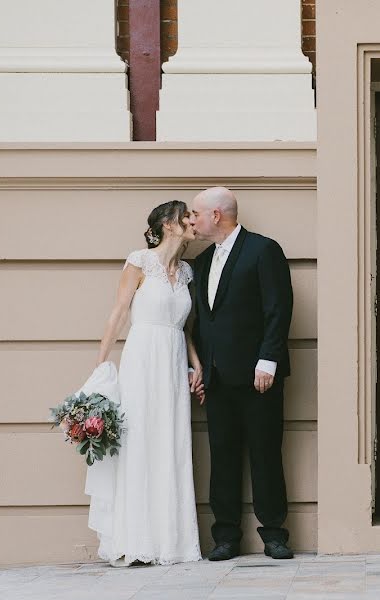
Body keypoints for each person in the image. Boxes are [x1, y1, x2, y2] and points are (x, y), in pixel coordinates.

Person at [90, 200, 204, 566]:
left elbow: (184, 327)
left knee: (170, 442)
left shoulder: (186, 272)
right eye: (186, 216)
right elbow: (119, 312)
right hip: (142, 358)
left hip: (172, 361)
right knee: (140, 441)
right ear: (168, 225)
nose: (192, 221)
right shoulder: (138, 261)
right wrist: (101, 364)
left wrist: (195, 364)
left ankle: (171, 541)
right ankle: (135, 539)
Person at [189, 186, 295, 560]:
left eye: (196, 214)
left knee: (266, 454)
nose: (192, 220)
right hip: (217, 380)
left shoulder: (263, 250)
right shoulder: (201, 262)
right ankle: (227, 536)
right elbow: (202, 322)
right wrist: (199, 368)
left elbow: (277, 309)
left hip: (258, 377)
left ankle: (275, 534)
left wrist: (268, 360)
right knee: (223, 457)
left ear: (217, 215)